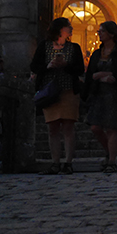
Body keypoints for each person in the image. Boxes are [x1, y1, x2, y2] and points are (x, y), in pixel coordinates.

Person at [30, 18, 85, 175]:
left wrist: (65, 66)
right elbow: (34, 66)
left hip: (68, 91)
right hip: (50, 92)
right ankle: (55, 162)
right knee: (52, 128)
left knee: (68, 127)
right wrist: (48, 66)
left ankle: (68, 162)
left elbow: (80, 68)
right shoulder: (44, 46)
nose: (71, 28)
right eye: (68, 26)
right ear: (60, 29)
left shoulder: (74, 47)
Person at [83, 21, 117, 174]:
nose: (99, 33)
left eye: (102, 31)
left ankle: (112, 161)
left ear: (111, 34)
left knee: (112, 128)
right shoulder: (96, 54)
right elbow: (91, 74)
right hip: (99, 94)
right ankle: (109, 152)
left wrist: (110, 77)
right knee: (95, 127)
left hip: (115, 94)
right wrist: (100, 76)